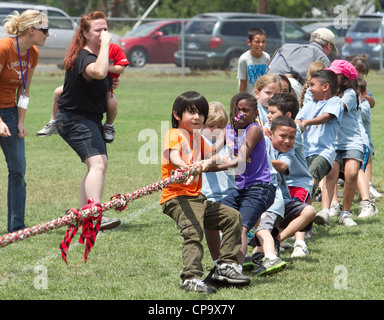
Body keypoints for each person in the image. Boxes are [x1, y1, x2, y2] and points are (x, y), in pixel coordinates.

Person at [161, 91, 250, 294]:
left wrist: (210, 162)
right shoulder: (174, 134)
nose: (197, 117)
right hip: (176, 197)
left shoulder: (199, 138)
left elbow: (214, 158)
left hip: (197, 198)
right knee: (193, 232)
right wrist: (186, 166)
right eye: (191, 112)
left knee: (232, 217)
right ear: (177, 115)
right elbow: (174, 156)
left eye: (200, 113)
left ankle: (225, 265)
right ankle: (190, 278)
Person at [54, 11, 120, 231]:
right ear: (84, 33)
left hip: (88, 119)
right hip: (74, 120)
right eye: (98, 30)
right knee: (97, 164)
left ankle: (84, 214)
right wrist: (106, 46)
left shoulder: (95, 56)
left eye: (105, 29)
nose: (104, 33)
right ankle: (93, 215)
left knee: (99, 164)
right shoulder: (85, 57)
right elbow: (99, 71)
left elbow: (102, 75)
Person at [0, 9, 49, 232]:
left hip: (10, 112)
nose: (48, 34)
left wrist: (19, 121)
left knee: (18, 168)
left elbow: (25, 91)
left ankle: (16, 226)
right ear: (32, 30)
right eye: (45, 30)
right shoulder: (4, 48)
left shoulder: (33, 54)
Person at [218, 92, 276, 267]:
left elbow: (240, 159)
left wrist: (212, 166)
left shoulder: (254, 129)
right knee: (212, 216)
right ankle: (219, 262)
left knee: (240, 227)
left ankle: (236, 268)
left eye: (246, 110)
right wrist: (193, 161)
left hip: (260, 188)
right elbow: (210, 150)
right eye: (238, 110)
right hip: (241, 191)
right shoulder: (227, 130)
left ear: (256, 113)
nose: (241, 113)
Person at [36, 42, 129, 143]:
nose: (100, 34)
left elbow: (121, 68)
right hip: (81, 84)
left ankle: (108, 126)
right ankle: (54, 122)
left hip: (104, 86)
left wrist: (103, 69)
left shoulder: (114, 48)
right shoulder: (85, 47)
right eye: (97, 30)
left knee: (112, 103)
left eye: (103, 30)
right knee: (58, 92)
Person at [267, 95, 315, 256]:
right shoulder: (276, 132)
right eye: (268, 112)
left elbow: (283, 163)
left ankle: (300, 243)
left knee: (299, 209)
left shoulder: (291, 132)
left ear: (287, 116)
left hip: (298, 180)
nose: (269, 116)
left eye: (273, 113)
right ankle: (272, 242)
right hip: (283, 182)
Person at [319, 60, 361, 227]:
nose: (331, 76)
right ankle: (325, 211)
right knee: (330, 176)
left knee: (351, 174)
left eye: (335, 74)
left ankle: (345, 213)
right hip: (333, 140)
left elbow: (334, 110)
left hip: (352, 140)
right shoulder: (328, 90)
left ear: (344, 78)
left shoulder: (350, 94)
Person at [295, 70, 343, 208]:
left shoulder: (335, 102)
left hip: (323, 153)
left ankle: (299, 214)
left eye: (312, 85)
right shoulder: (310, 104)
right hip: (305, 152)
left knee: (309, 180)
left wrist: (306, 123)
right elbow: (298, 119)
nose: (309, 89)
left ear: (325, 87)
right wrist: (298, 123)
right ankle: (303, 218)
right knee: (302, 183)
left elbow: (326, 117)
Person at [201, 101, 236, 264]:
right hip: (207, 195)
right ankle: (217, 261)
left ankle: (235, 258)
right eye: (211, 125)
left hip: (231, 191)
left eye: (220, 126)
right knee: (213, 226)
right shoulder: (198, 142)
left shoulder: (230, 142)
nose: (215, 130)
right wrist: (220, 158)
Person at [267, 28, 337, 96]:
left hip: (268, 82)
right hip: (292, 86)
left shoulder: (286, 47)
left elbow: (269, 66)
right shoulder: (323, 58)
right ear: (328, 45)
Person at [355, 77, 378, 218]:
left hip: (363, 144)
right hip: (348, 144)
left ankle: (368, 202)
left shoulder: (363, 106)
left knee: (361, 170)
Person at [237, 27, 270, 95]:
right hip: (250, 97)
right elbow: (242, 83)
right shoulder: (244, 59)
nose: (261, 45)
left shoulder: (267, 57)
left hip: (263, 97)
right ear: (249, 42)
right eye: (257, 42)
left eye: (263, 42)